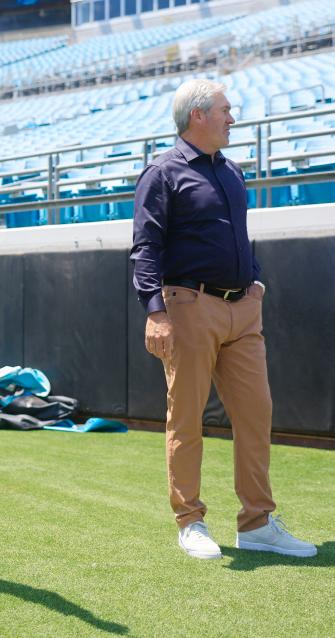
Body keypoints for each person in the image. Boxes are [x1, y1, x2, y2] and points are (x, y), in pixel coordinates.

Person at [131, 78, 316, 561]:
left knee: (257, 414)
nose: (233, 118)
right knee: (187, 419)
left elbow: (241, 236)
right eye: (225, 110)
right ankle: (190, 521)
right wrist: (155, 312)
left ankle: (257, 523)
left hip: (243, 311)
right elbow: (145, 248)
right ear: (198, 116)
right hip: (189, 308)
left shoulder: (232, 171)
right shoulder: (163, 173)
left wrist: (254, 280)